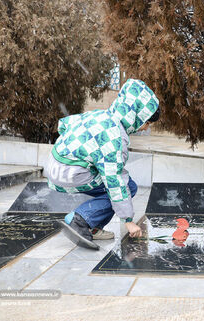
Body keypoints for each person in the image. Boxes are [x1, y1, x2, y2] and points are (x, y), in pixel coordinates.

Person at [45, 79, 160, 249]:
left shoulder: (101, 115)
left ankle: (94, 227)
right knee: (126, 186)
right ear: (135, 114)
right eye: (147, 122)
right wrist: (128, 221)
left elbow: (65, 124)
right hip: (70, 172)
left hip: (55, 163)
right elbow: (114, 180)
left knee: (124, 185)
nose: (145, 128)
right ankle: (80, 220)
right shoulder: (114, 137)